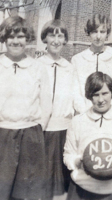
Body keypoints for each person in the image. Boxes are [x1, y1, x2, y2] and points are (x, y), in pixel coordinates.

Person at [64, 72, 112, 200]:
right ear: (89, 96)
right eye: (96, 95)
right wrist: (78, 161)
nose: (101, 100)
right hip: (83, 188)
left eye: (105, 93)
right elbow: (68, 155)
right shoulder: (77, 121)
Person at [0, 16, 51, 200]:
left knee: (27, 191)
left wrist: (36, 130)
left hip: (30, 135)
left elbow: (46, 103)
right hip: (2, 134)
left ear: (27, 39)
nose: (15, 41)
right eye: (11, 37)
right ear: (4, 39)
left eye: (20, 36)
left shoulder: (37, 67)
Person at [37, 19, 74, 200]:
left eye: (60, 36)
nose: (56, 40)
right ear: (45, 38)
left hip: (63, 132)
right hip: (41, 131)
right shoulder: (36, 65)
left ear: (65, 40)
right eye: (52, 35)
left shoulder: (70, 68)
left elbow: (75, 98)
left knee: (61, 185)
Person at [72, 14, 112, 114]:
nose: (98, 36)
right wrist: (84, 112)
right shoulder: (77, 60)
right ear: (89, 33)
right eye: (94, 32)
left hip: (109, 115)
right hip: (85, 114)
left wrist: (110, 112)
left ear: (107, 33)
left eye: (102, 32)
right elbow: (75, 91)